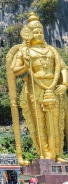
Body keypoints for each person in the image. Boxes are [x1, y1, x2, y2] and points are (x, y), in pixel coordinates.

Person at [7, 12, 68, 164]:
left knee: (56, 121)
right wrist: (26, 66)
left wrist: (64, 83)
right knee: (39, 121)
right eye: (35, 32)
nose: (39, 34)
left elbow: (63, 68)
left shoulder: (52, 51)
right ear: (29, 34)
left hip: (53, 87)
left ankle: (57, 153)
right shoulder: (24, 51)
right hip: (35, 87)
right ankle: (45, 153)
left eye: (41, 31)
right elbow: (13, 70)